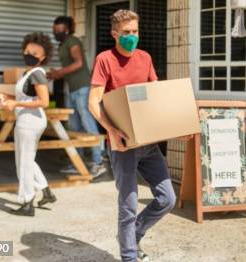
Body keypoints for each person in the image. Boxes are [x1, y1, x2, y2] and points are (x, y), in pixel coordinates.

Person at [88, 10, 176, 262]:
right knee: (128, 206)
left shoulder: (145, 58)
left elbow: (156, 95)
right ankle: (129, 256)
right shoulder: (105, 59)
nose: (131, 37)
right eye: (126, 33)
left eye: (135, 31)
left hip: (148, 142)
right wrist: (112, 131)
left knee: (167, 198)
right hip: (122, 144)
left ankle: (132, 234)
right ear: (114, 34)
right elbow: (93, 102)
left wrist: (175, 129)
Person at [1, 32, 57, 216]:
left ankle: (27, 202)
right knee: (27, 160)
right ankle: (46, 191)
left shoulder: (38, 74)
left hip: (30, 121)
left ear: (43, 57)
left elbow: (44, 101)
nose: (30, 53)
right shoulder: (28, 73)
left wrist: (15, 103)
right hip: (27, 119)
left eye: (35, 52)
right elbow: (27, 96)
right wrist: (8, 97)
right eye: (27, 50)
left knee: (23, 163)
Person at [47, 16, 106, 178]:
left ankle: (98, 162)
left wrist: (58, 73)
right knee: (74, 128)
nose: (56, 32)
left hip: (82, 88)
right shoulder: (63, 44)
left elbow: (79, 63)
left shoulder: (72, 41)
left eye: (59, 30)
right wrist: (56, 74)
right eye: (55, 29)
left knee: (88, 124)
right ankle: (77, 162)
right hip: (72, 89)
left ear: (67, 29)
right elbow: (69, 67)